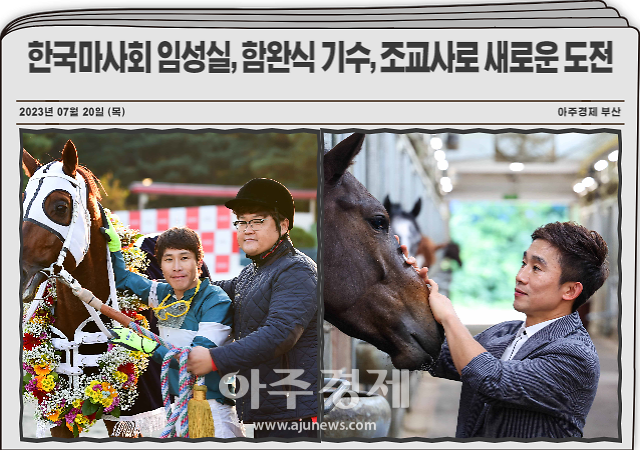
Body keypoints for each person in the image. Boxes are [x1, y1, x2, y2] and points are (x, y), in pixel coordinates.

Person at [404, 221, 609, 438]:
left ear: (570, 290)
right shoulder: (505, 333)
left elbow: (490, 377)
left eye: (536, 268)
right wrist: (406, 287)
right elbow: (437, 354)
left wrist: (449, 316)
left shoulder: (575, 356)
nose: (520, 276)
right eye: (523, 263)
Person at [186, 178, 318, 439]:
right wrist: (169, 280)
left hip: (294, 414)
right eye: (242, 222)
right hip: (267, 410)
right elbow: (212, 292)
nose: (247, 229)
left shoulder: (297, 269)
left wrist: (214, 359)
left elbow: (279, 334)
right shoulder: (252, 272)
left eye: (257, 221)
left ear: (283, 225)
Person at [104, 218, 245, 438]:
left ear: (199, 262)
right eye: (169, 259)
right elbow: (122, 278)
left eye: (184, 258)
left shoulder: (216, 301)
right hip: (179, 408)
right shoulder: (163, 294)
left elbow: (193, 361)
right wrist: (114, 248)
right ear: (161, 265)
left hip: (214, 411)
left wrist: (145, 345)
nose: (177, 267)